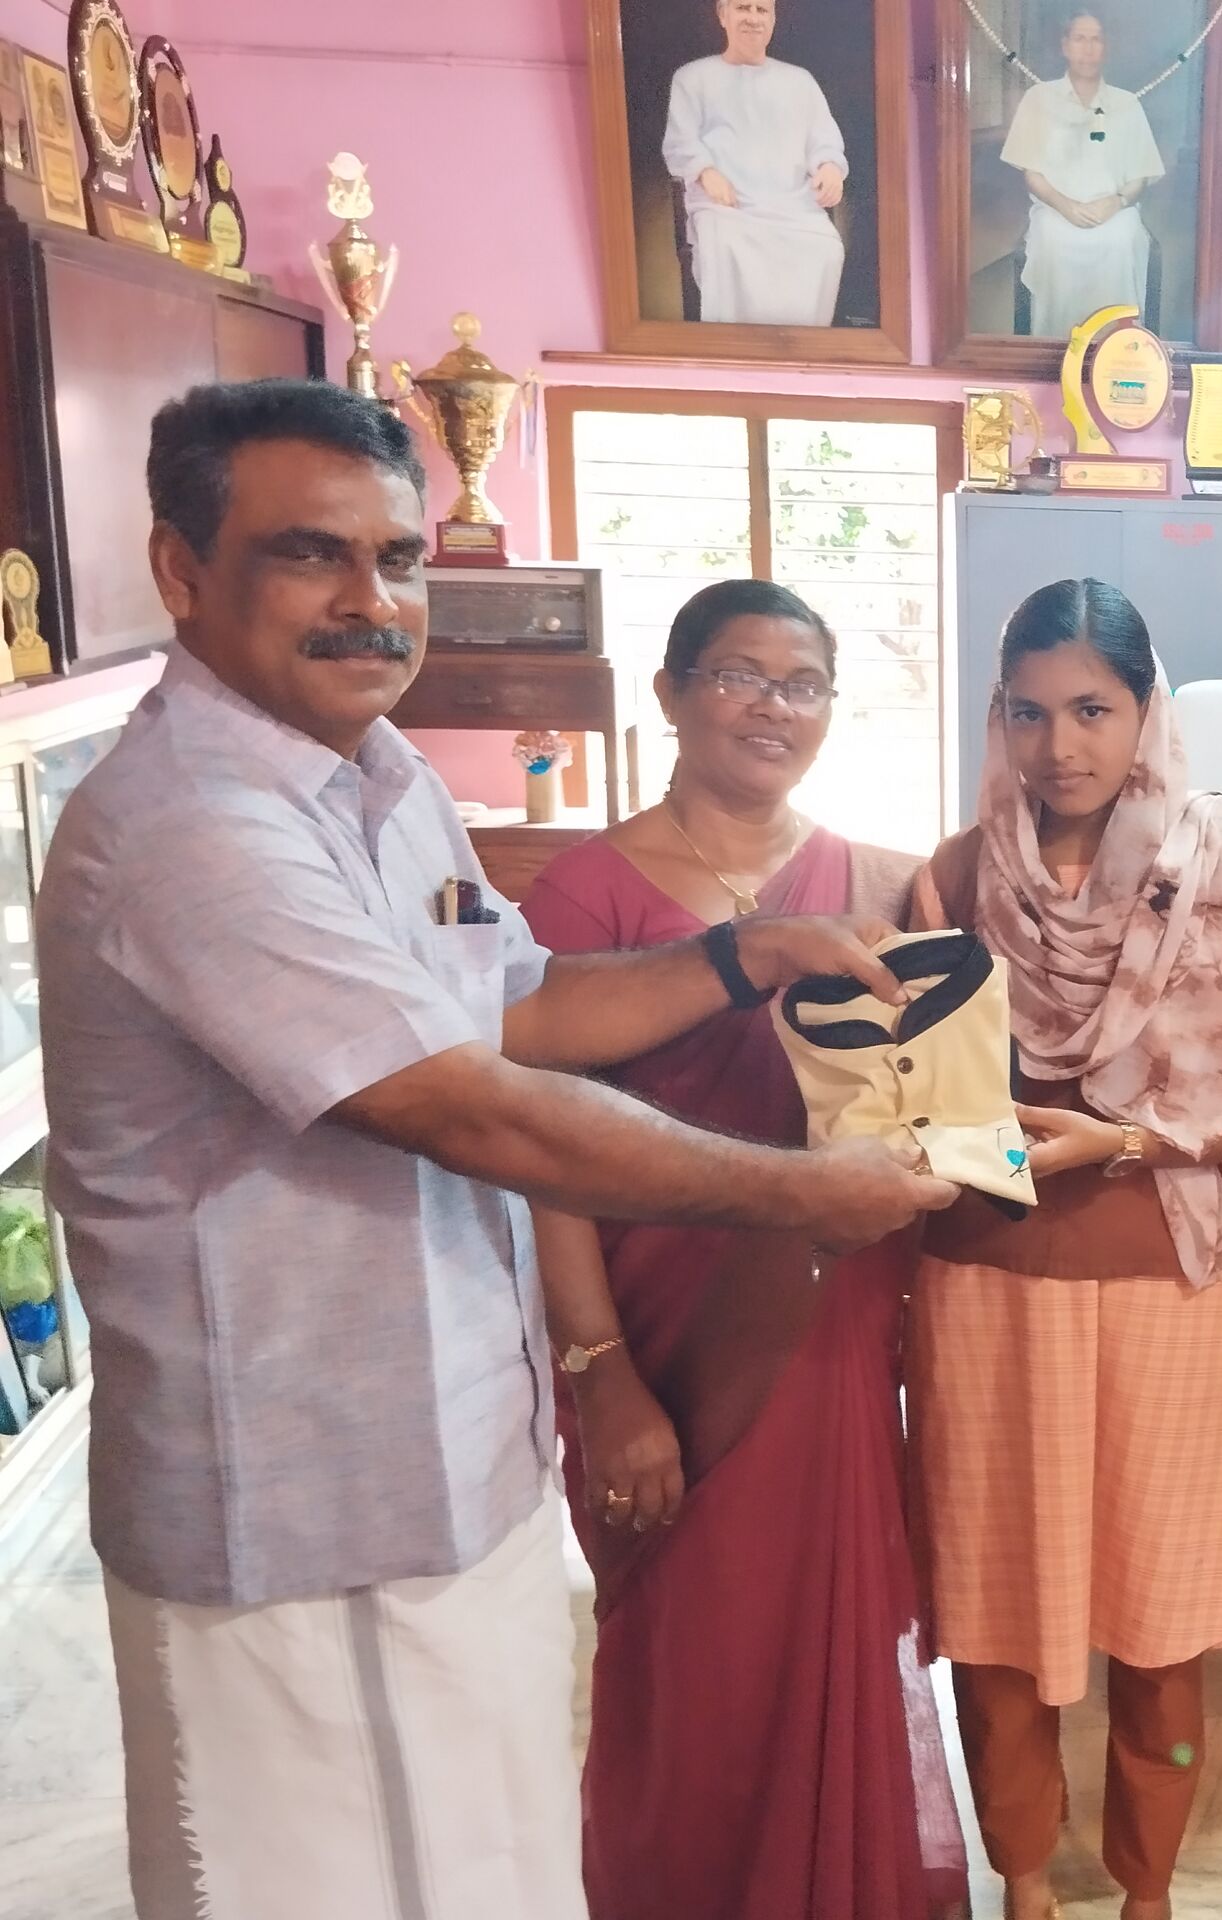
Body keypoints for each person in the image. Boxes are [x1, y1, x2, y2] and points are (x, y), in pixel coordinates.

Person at [37, 378, 953, 1920]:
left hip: (461, 1469)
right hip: (304, 1517)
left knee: (498, 1865)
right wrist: (802, 1201)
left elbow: (519, 1001)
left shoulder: (393, 794)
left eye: (397, 559)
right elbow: (471, 1100)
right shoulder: (196, 827)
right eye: (310, 555)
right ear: (181, 571)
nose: (370, 601)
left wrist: (744, 956)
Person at [518, 578, 967, 1920]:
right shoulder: (583, 896)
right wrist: (601, 1374)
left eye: (802, 684)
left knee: (830, 1642)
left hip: (828, 1333)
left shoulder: (883, 883)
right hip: (655, 1343)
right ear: (669, 693)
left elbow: (933, 1112)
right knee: (691, 1664)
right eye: (738, 675)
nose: (773, 707)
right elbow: (538, 1156)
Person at [910, 578, 1222, 1920]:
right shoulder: (956, 876)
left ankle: (1149, 1886)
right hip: (983, 1291)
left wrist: (1122, 1143)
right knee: (996, 1613)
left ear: (1146, 710)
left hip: (1156, 1293)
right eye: (1028, 713)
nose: (1059, 746)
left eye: (1092, 709)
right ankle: (1024, 1876)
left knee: (1162, 1615)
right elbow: (922, 1096)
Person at [664, 0, 849, 327]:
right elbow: (681, 142)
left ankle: (800, 348)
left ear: (773, 19)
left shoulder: (800, 81)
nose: (752, 18)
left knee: (826, 248)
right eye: (743, 8)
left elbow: (824, 141)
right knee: (726, 245)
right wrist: (705, 172)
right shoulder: (692, 78)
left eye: (761, 10)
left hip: (792, 206)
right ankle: (732, 350)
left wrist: (829, 167)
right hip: (727, 206)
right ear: (723, 15)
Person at [999, 12, 1165, 337]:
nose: (1088, 48)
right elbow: (1032, 173)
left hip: (1113, 212)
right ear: (1065, 46)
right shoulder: (1039, 98)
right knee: (1051, 240)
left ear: (1106, 47)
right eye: (1079, 39)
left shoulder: (1127, 103)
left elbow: (1140, 176)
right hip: (1056, 210)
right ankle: (1055, 345)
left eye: (1096, 39)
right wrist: (1066, 206)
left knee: (1123, 239)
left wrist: (1115, 202)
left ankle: (1117, 347)